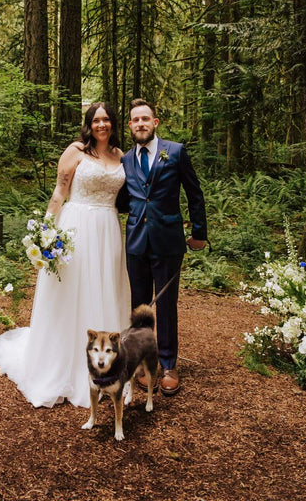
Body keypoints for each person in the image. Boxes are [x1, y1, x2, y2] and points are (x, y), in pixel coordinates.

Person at [0, 102, 131, 408]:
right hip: (77, 226)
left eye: (106, 120)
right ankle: (63, 363)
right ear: (89, 124)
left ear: (113, 125)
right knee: (72, 291)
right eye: (96, 120)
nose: (101, 125)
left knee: (105, 287)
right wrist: (47, 232)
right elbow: (59, 191)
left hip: (108, 228)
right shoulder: (76, 150)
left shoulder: (119, 156)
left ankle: (106, 368)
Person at [118, 98, 208, 396]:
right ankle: (144, 363)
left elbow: (194, 193)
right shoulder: (126, 159)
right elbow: (124, 200)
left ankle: (168, 364)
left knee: (166, 306)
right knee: (140, 307)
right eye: (135, 120)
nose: (141, 124)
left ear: (155, 123)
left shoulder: (176, 152)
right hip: (136, 242)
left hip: (168, 241)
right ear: (130, 125)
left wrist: (199, 232)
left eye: (146, 119)